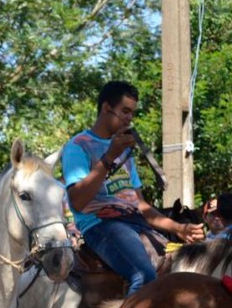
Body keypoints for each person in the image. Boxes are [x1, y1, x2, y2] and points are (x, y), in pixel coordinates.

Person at [62, 81, 204, 295]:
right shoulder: (78, 145)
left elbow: (141, 206)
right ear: (106, 108)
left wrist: (178, 228)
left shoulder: (124, 150)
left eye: (132, 113)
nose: (129, 119)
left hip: (136, 224)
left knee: (183, 270)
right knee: (143, 276)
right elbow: (77, 201)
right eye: (125, 111)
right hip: (102, 225)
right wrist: (109, 156)